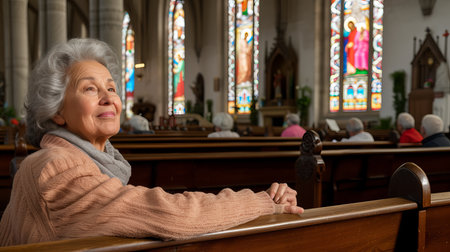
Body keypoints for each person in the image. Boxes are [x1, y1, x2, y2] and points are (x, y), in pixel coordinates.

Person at [0, 38, 303, 246]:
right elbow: (170, 214)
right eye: (90, 89)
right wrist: (264, 202)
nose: (109, 98)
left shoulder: (82, 160)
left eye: (112, 88)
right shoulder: (57, 167)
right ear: (57, 111)